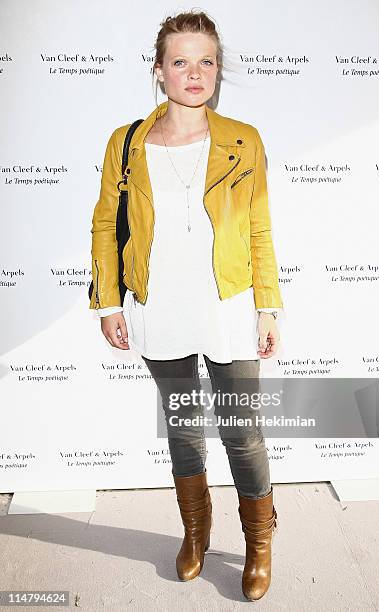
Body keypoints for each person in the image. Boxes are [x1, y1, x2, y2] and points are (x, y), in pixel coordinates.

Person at [89, 9, 284, 602]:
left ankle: (257, 544)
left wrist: (267, 306)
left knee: (242, 431)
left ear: (217, 71)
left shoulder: (244, 139)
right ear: (159, 71)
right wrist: (107, 303)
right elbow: (105, 225)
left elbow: (258, 227)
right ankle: (195, 535)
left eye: (206, 61)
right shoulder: (127, 144)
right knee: (182, 427)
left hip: (227, 303)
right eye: (181, 61)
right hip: (158, 303)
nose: (194, 72)